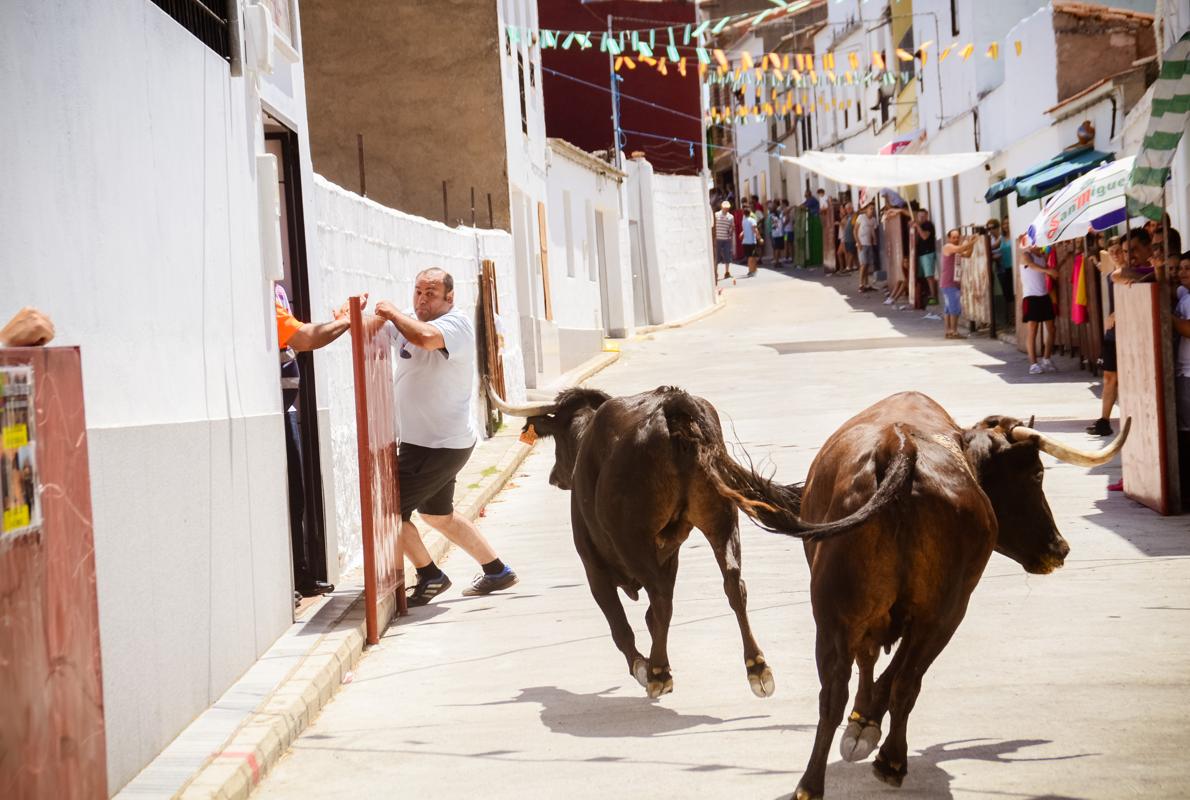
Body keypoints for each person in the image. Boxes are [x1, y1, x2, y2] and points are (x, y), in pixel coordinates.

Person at [374, 268, 518, 606]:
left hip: (436, 445)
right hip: (432, 442)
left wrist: (392, 313)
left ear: (449, 298)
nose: (422, 300)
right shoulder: (410, 321)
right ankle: (497, 571)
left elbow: (425, 338)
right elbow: (386, 331)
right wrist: (352, 319)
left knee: (388, 512)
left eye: (431, 293)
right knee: (438, 516)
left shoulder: (457, 325)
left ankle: (430, 576)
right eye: (418, 291)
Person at [276, 287, 369, 599]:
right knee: (285, 498)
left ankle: (299, 574)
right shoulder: (264, 292)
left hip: (286, 409)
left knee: (296, 496)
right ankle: (290, 581)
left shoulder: (277, 290)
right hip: (274, 411)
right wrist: (346, 320)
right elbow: (303, 338)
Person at [1019, 240, 1059, 374]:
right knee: (1033, 330)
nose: (1036, 245)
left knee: (1052, 328)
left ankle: (1046, 359)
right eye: (1034, 242)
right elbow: (1031, 265)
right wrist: (1048, 270)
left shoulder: (1042, 256)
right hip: (1030, 296)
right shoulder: (1025, 255)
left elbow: (1050, 267)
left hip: (1044, 295)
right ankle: (1033, 364)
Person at [940, 229, 977, 339]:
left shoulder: (955, 249)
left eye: (957, 237)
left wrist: (971, 244)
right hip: (949, 283)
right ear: (949, 238)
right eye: (953, 237)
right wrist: (972, 241)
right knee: (954, 308)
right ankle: (954, 331)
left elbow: (968, 254)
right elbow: (961, 248)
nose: (956, 239)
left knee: (949, 309)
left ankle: (949, 331)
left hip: (952, 283)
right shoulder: (948, 247)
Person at [987, 218, 1014, 325]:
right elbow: (990, 248)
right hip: (1003, 269)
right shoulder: (1001, 238)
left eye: (1008, 223)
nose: (1006, 226)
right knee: (1007, 294)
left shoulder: (1014, 236)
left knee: (1012, 293)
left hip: (1012, 268)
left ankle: (1013, 317)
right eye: (1004, 224)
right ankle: (1010, 318)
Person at [914, 208, 939, 316]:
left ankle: (933, 297)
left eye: (923, 216)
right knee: (921, 277)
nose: (921, 218)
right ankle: (923, 297)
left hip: (928, 253)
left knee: (929, 276)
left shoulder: (928, 225)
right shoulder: (920, 226)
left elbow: (924, 236)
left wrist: (918, 227)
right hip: (921, 254)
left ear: (927, 216)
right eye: (920, 216)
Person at [855, 204, 879, 292]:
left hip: (869, 244)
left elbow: (872, 230)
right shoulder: (861, 217)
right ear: (866, 210)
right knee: (863, 264)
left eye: (873, 208)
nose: (872, 210)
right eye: (870, 208)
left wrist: (874, 239)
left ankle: (867, 284)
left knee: (867, 264)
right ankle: (861, 285)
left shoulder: (873, 220)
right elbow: (855, 230)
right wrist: (858, 243)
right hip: (862, 244)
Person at [714, 200, 736, 281]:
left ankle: (727, 272)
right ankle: (715, 272)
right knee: (717, 256)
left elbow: (732, 227)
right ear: (722, 207)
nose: (726, 209)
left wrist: (731, 230)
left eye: (727, 208)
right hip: (717, 238)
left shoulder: (731, 217)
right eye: (725, 208)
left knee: (727, 255)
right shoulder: (716, 215)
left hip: (727, 239)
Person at [741, 207, 761, 277]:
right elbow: (755, 229)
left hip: (745, 241)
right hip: (751, 241)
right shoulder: (752, 220)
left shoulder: (743, 221)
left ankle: (753, 270)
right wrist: (759, 238)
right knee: (752, 257)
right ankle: (751, 271)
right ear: (750, 213)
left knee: (750, 256)